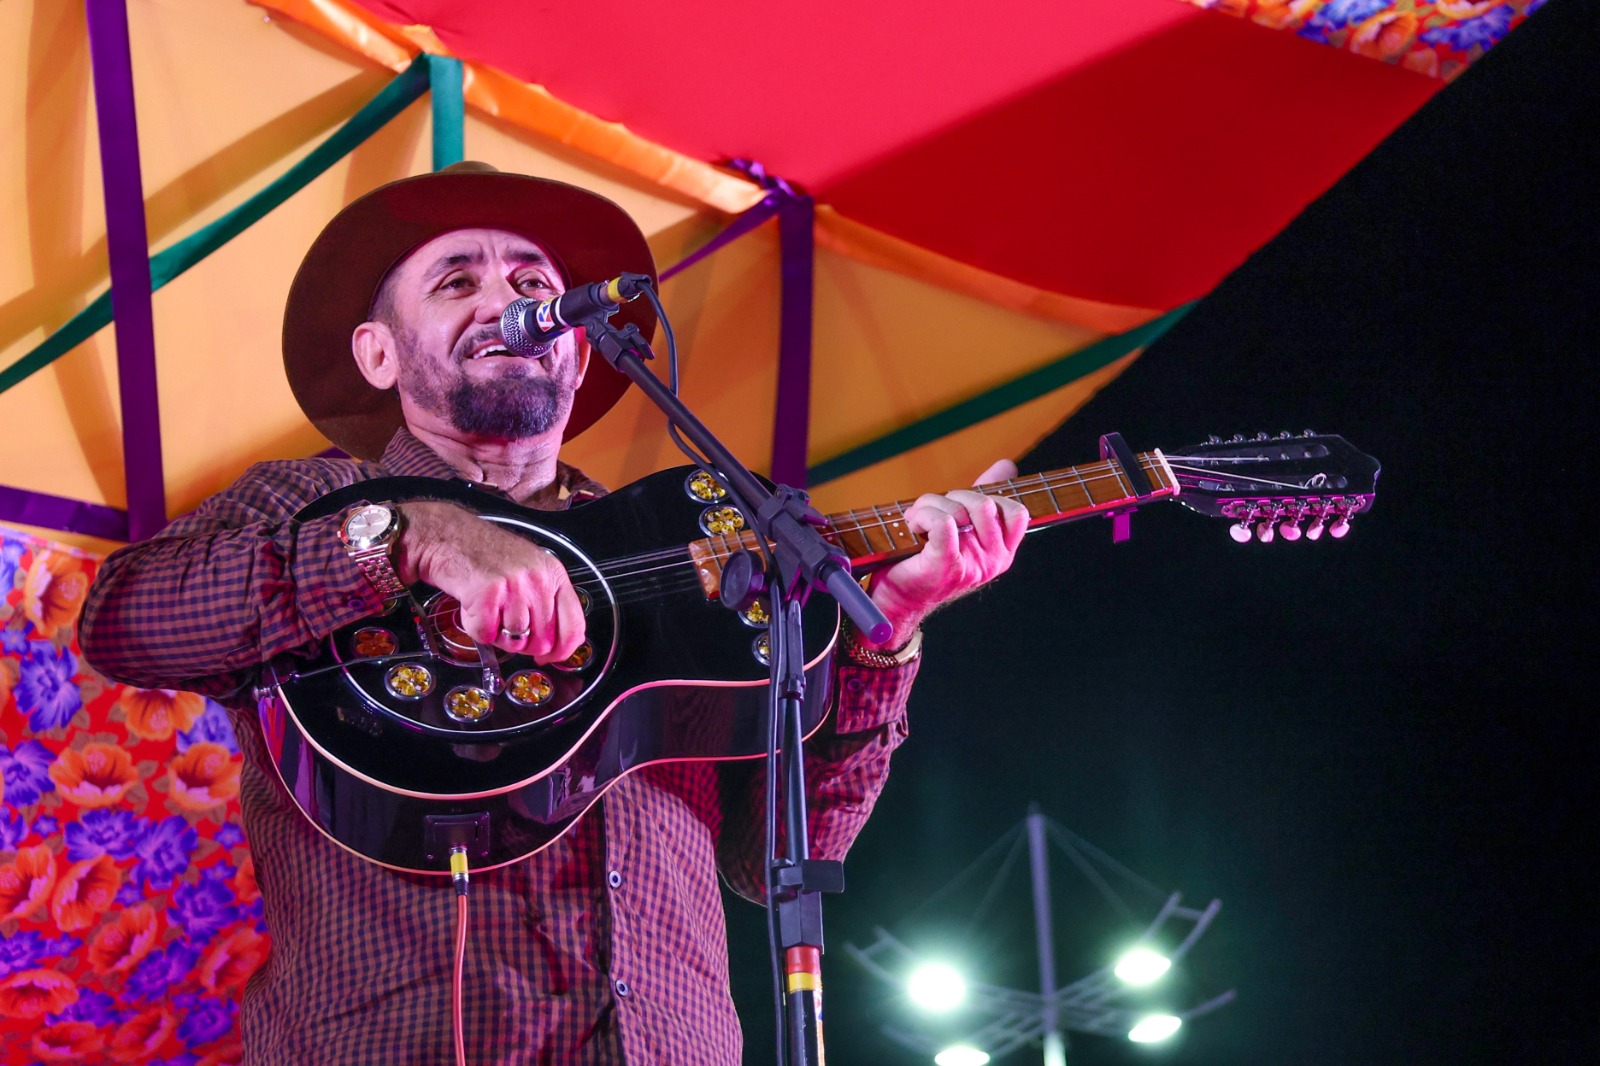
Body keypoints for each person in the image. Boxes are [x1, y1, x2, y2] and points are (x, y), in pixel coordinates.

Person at [79, 162, 1028, 1065]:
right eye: (456, 281)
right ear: (377, 352)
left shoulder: (689, 555)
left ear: (579, 350)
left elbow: (776, 855)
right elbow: (123, 620)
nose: (506, 301)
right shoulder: (307, 499)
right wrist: (413, 536)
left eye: (534, 280)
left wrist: (887, 631)